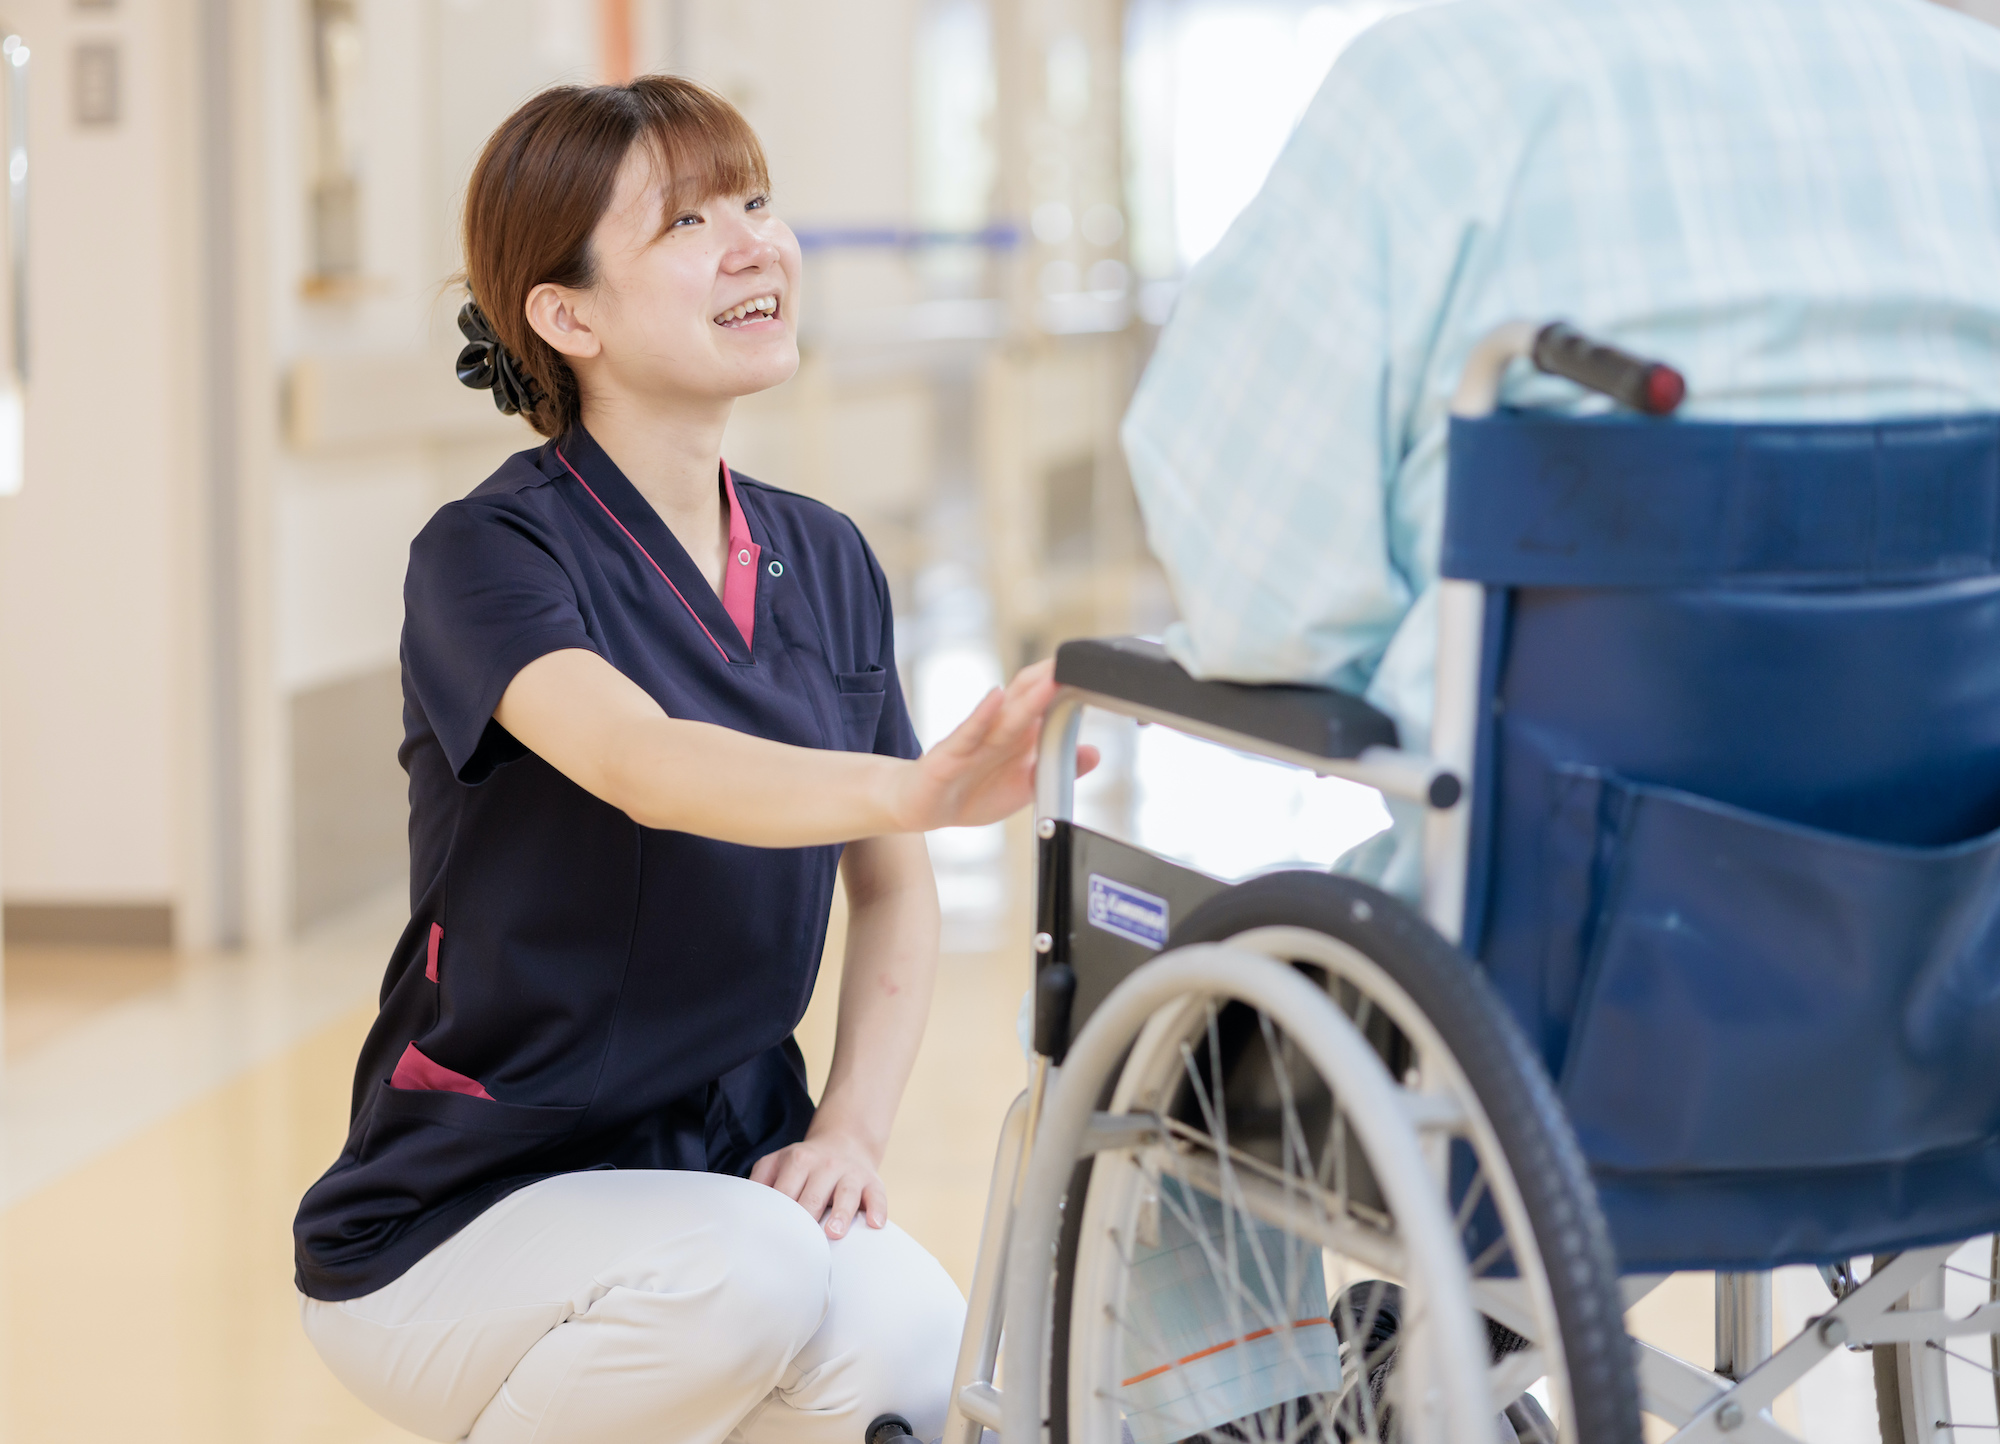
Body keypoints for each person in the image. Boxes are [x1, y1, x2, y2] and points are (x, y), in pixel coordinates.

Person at [293, 76, 1092, 1444]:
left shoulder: (824, 555)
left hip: (721, 1167)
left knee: (917, 1355)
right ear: (568, 313)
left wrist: (848, 1132)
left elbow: (892, 892)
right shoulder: (490, 557)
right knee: (753, 1279)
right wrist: (912, 786)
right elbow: (643, 761)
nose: (754, 245)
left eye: (758, 204)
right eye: (686, 222)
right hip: (466, 1212)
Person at [1123, 0, 2000, 895]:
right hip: (1960, 975)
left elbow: (1270, 613)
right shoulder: (1978, 82)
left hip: (1543, 983)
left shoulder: (1440, 91)